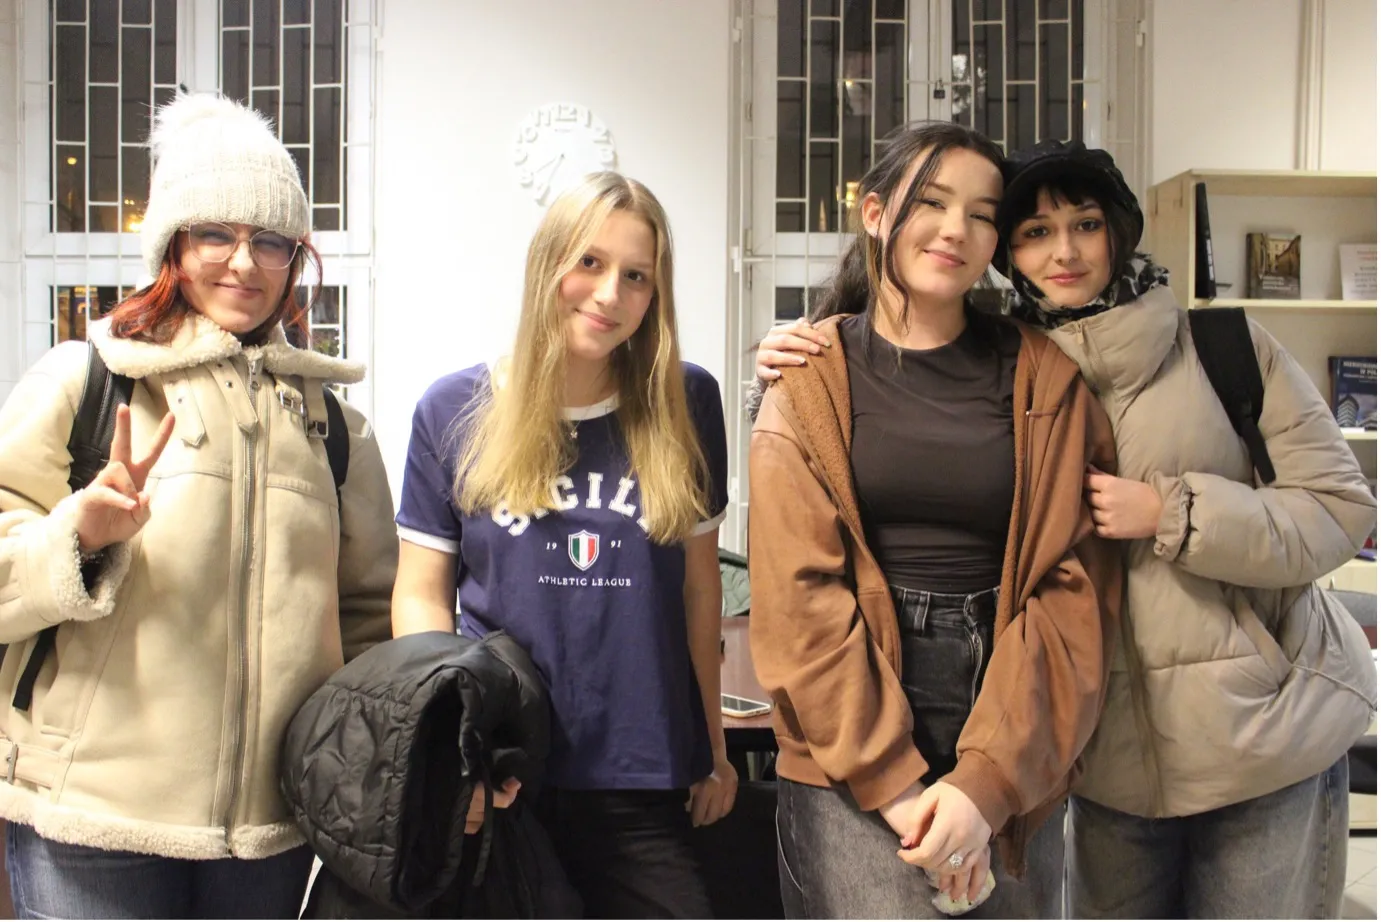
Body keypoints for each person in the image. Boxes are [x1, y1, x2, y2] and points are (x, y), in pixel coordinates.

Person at [756, 137, 1378, 920]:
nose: (1064, 250)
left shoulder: (1213, 349)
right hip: (1105, 760)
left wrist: (1172, 512)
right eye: (1033, 231)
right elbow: (804, 583)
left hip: (1257, 736)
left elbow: (1340, 510)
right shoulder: (1016, 364)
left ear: (1119, 231)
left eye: (1084, 223)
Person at [0, 94, 397, 919]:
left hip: (268, 836)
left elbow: (368, 624)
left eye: (270, 242)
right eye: (215, 233)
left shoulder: (333, 427)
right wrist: (80, 535)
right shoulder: (86, 380)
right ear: (172, 244)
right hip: (93, 821)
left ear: (296, 259)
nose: (243, 265)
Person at [746, 121, 1122, 920]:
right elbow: (798, 596)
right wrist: (896, 786)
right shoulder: (808, 382)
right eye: (933, 202)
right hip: (847, 722)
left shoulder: (1044, 377)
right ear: (876, 213)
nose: (957, 230)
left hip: (1016, 711)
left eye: (983, 214)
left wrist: (984, 791)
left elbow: (1072, 586)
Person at [391, 171, 737, 919]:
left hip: (639, 772)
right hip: (506, 769)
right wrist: (453, 759)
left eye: (635, 276)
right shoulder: (453, 409)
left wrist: (711, 745)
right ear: (546, 264)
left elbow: (698, 589)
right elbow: (420, 593)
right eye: (588, 262)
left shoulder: (688, 401)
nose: (609, 293)